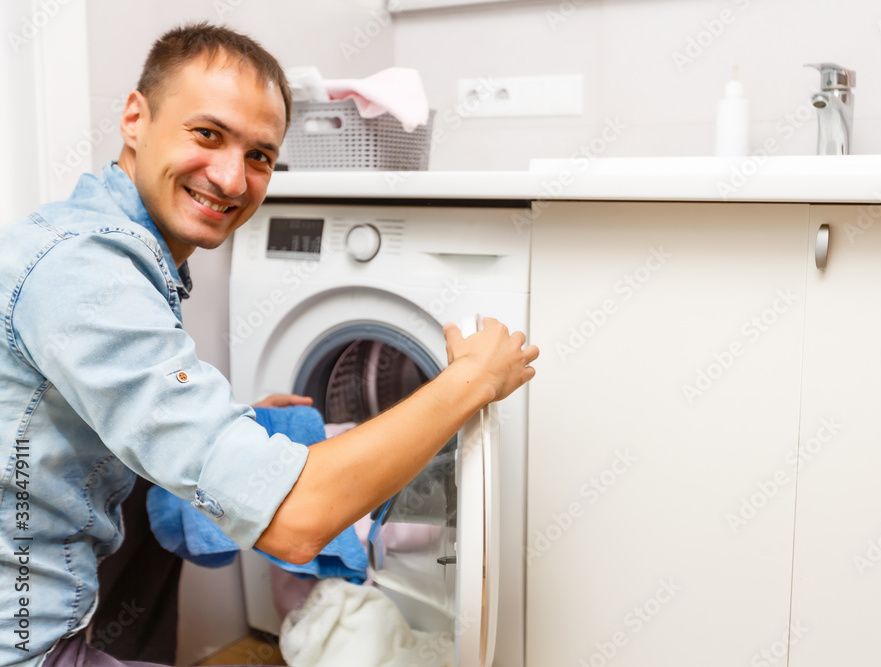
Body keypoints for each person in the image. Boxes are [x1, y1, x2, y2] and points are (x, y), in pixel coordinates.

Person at [0, 22, 538, 667]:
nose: (231, 178)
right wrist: (470, 380)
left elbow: (119, 414)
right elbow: (297, 522)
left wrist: (237, 427)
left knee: (168, 476)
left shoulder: (98, 243)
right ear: (135, 119)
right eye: (208, 134)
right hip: (22, 638)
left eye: (260, 156)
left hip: (45, 595)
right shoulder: (88, 272)